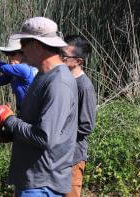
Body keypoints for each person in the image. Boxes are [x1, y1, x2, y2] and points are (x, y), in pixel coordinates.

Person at [0, 17, 78, 196]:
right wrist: (7, 135)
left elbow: (44, 137)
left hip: (43, 183)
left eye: (23, 43)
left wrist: (9, 119)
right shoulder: (42, 76)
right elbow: (35, 125)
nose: (21, 49)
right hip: (31, 179)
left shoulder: (59, 83)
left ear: (37, 44)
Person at [62, 35, 97, 197]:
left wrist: (58, 135)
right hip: (58, 155)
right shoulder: (62, 81)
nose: (60, 58)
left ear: (79, 61)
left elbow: (87, 125)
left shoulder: (84, 87)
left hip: (73, 157)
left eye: (65, 56)